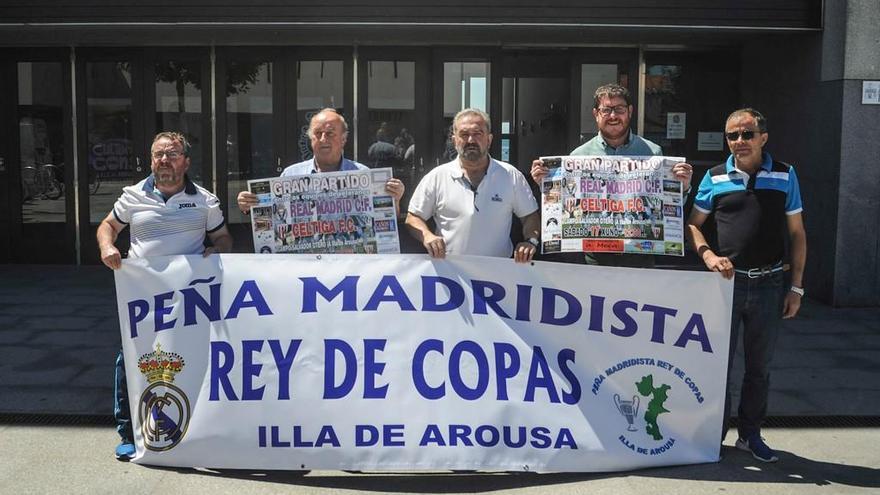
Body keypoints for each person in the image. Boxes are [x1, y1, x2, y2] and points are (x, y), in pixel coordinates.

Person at [97, 131, 233, 461]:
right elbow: (108, 226)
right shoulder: (133, 196)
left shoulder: (205, 200)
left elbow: (224, 238)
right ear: (150, 160)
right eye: (158, 154)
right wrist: (107, 246)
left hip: (189, 298)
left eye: (172, 154)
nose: (164, 160)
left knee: (191, 356)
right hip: (143, 295)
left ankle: (193, 427)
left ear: (186, 161)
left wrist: (216, 249)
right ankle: (129, 432)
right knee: (131, 358)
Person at [686, 108, 807, 463]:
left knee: (759, 367)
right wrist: (708, 255)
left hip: (770, 284)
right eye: (732, 136)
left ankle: (750, 435)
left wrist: (796, 287)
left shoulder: (785, 175)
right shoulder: (714, 176)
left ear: (763, 137)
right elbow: (693, 225)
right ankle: (713, 436)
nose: (739, 142)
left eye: (746, 134)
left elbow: (798, 233)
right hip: (725, 286)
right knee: (716, 366)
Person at [530, 83, 693, 267]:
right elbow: (565, 208)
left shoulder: (653, 152)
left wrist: (683, 187)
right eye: (606, 110)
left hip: (641, 256)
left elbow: (667, 207)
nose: (613, 116)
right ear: (596, 114)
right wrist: (546, 185)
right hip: (595, 258)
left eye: (619, 109)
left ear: (630, 111)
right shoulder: (578, 156)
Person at [405, 108, 540, 263]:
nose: (470, 140)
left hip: (500, 275)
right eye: (464, 134)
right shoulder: (437, 177)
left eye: (477, 134)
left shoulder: (510, 175)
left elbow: (530, 216)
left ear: (489, 140)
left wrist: (530, 241)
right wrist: (427, 236)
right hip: (449, 274)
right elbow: (413, 217)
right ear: (454, 140)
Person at [236, 108, 404, 215]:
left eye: (330, 133)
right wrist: (249, 205)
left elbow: (387, 220)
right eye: (318, 133)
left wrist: (395, 200)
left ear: (344, 139)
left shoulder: (363, 174)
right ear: (311, 139)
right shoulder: (290, 174)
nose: (323, 139)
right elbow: (274, 215)